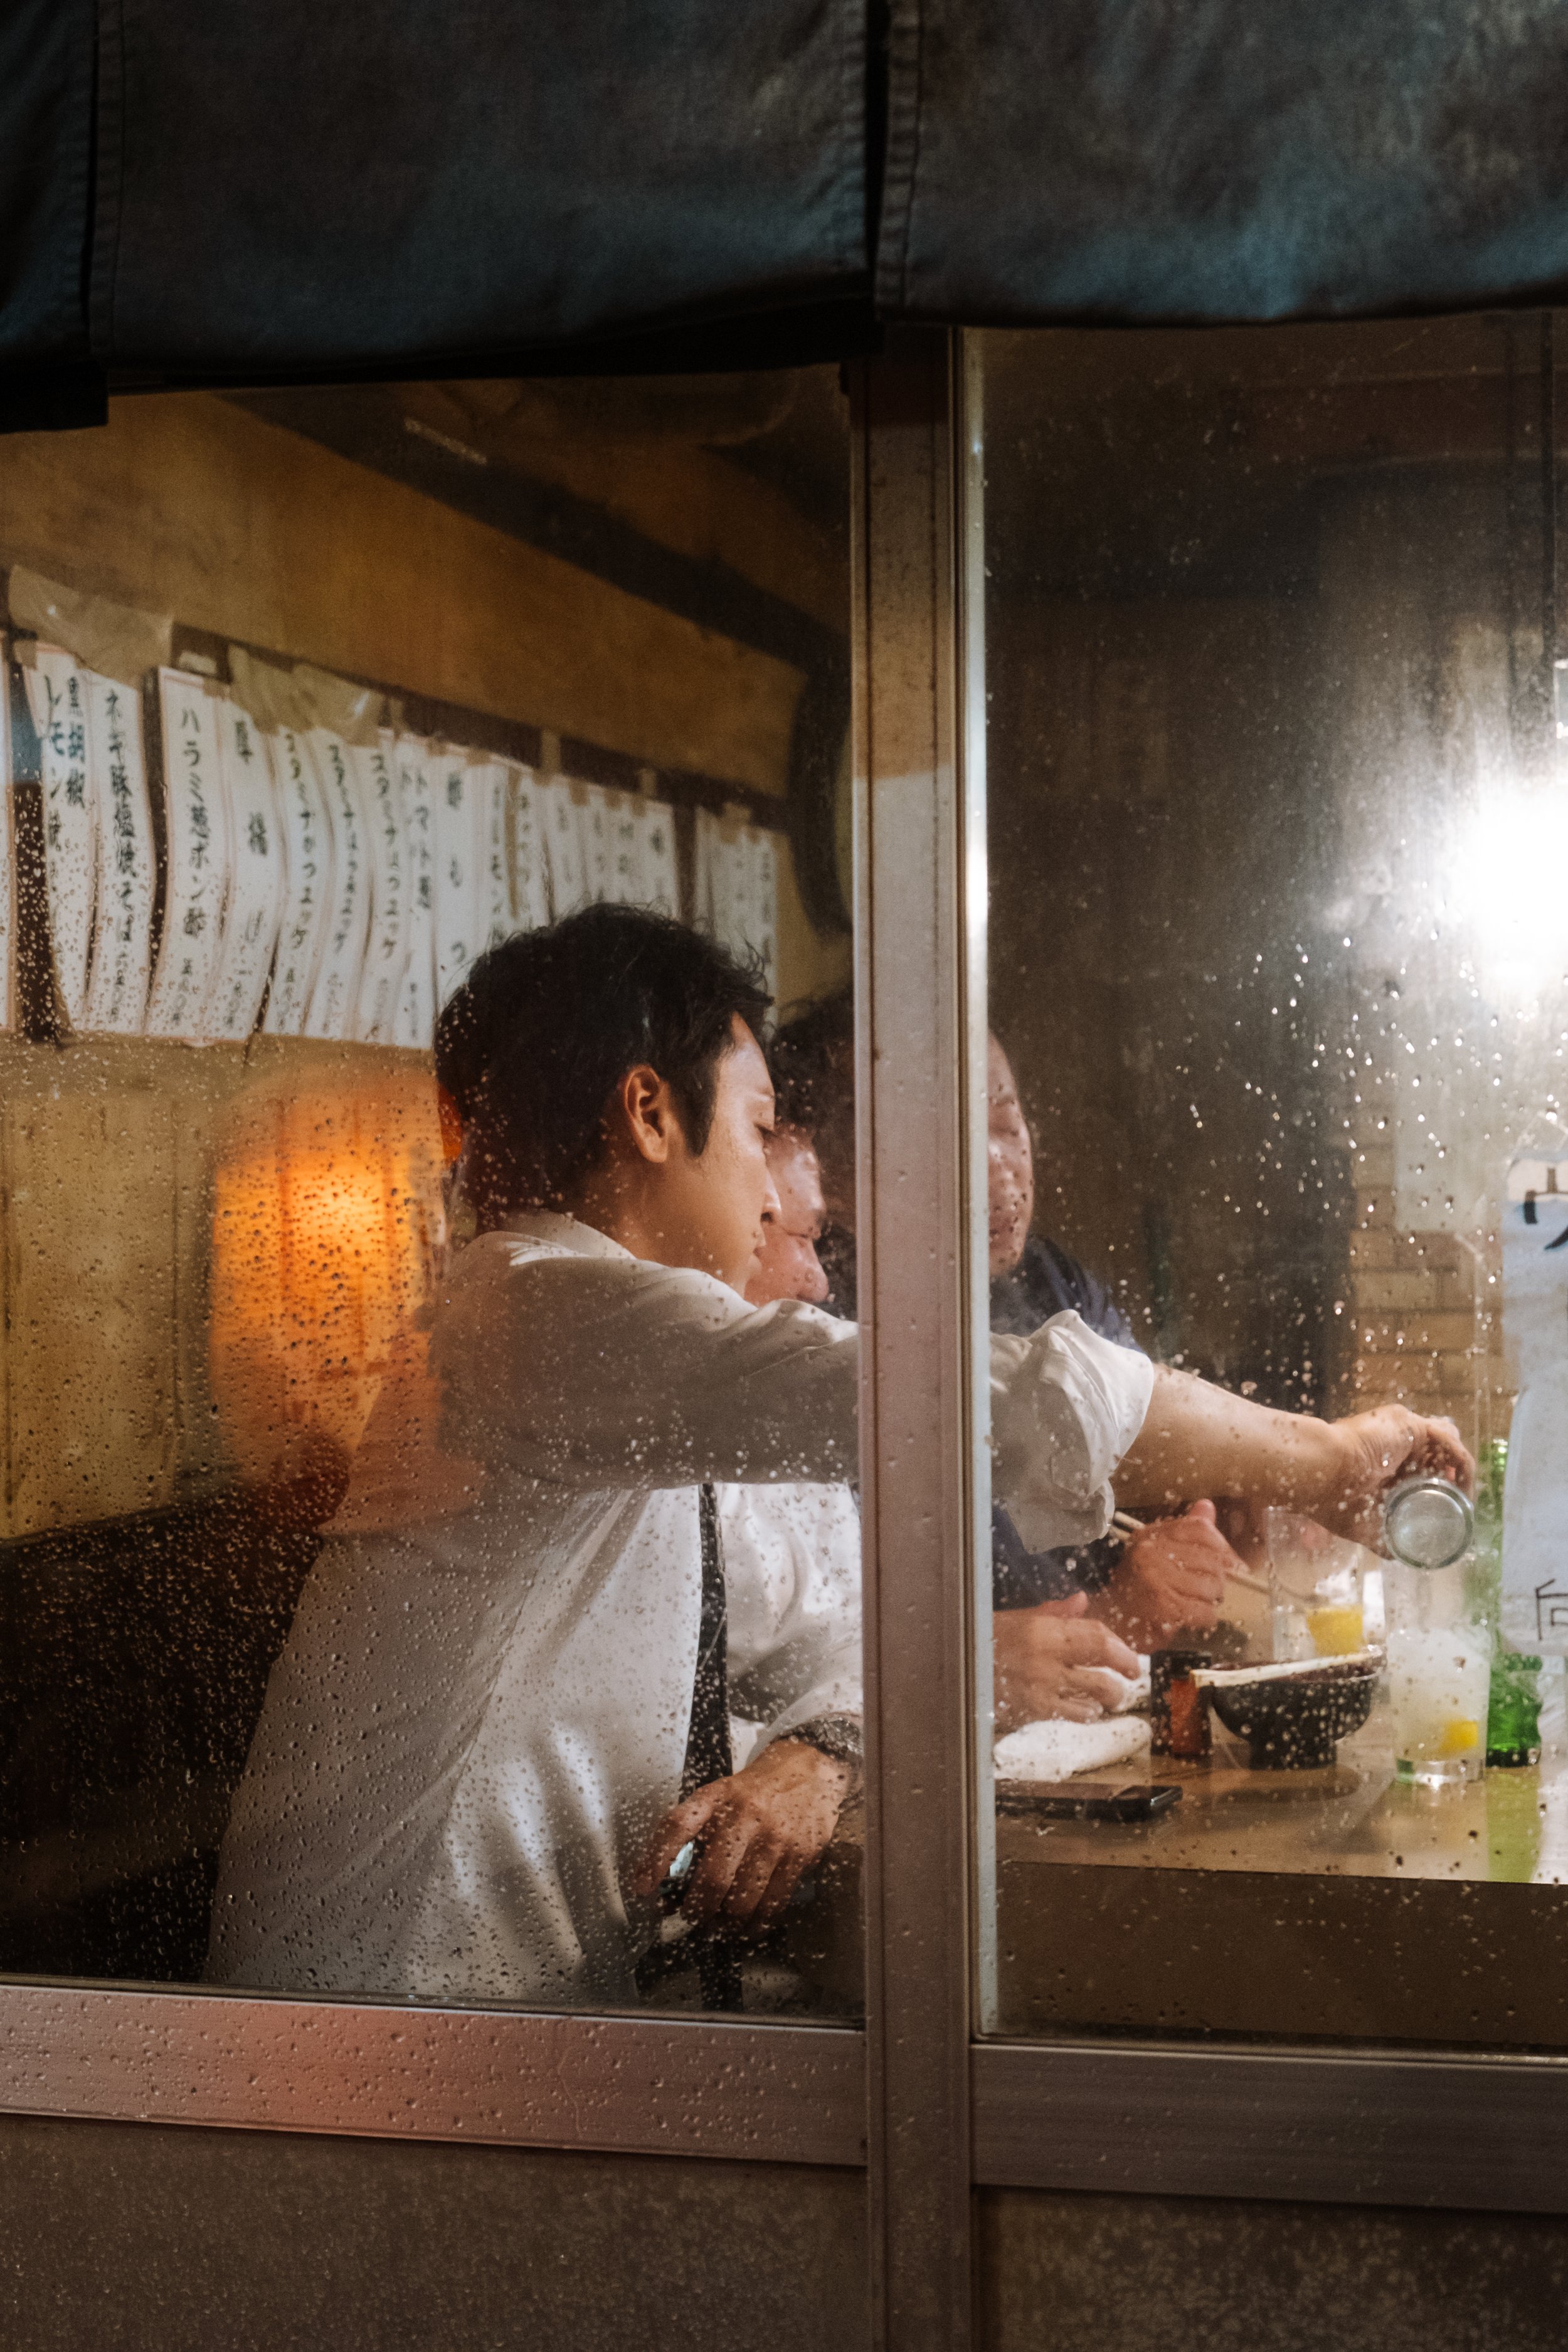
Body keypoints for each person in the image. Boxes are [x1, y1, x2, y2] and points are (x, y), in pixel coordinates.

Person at [209, 908, 1468, 2010]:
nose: (771, 1201)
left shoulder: (651, 1397)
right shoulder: (526, 1314)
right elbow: (987, 1404)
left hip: (535, 2032)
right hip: (375, 2027)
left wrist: (826, 1754)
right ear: (648, 1114)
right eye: (757, 1135)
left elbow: (840, 1635)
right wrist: (1323, 1459)